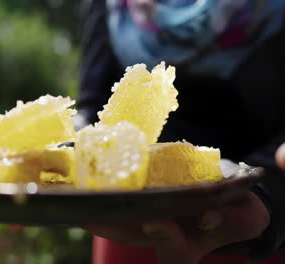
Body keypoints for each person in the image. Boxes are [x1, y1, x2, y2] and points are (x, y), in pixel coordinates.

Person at [77, 0, 285, 263]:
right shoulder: (111, 6)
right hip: (129, 229)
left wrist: (263, 197)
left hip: (252, 231)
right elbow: (93, 110)